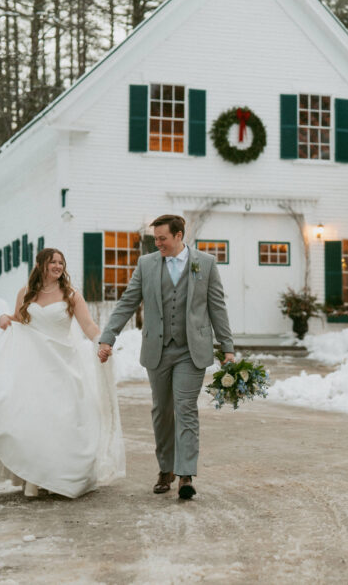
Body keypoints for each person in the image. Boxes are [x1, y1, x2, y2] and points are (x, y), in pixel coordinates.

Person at [0, 248, 125, 498]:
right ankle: (34, 476)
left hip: (63, 365)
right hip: (33, 367)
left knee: (62, 421)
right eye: (53, 262)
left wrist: (102, 341)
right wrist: (4, 317)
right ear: (41, 265)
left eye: (61, 262)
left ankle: (62, 475)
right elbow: (19, 320)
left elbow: (87, 324)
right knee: (33, 421)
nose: (57, 266)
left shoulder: (71, 295)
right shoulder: (26, 293)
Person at [98, 214, 234, 500]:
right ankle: (165, 469)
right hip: (157, 350)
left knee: (185, 408)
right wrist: (108, 336)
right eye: (155, 238)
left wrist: (228, 347)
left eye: (163, 238)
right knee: (162, 411)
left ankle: (185, 474)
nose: (157, 243)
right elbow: (128, 301)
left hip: (191, 350)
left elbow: (217, 307)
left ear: (179, 235)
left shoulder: (205, 264)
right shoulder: (146, 264)